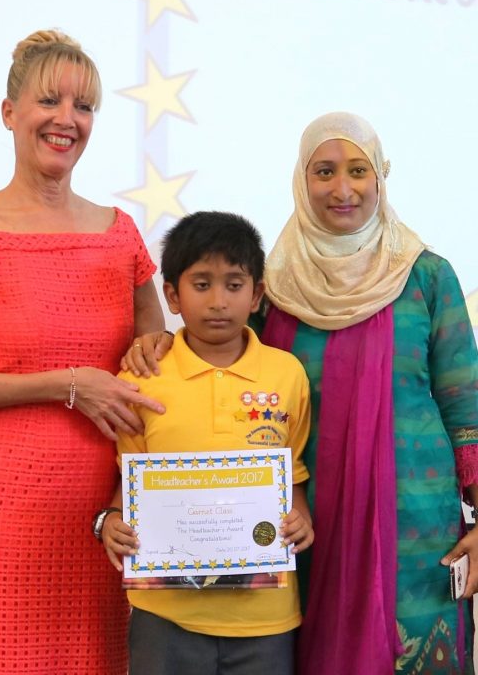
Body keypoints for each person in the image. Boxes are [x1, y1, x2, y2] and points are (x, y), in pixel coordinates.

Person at [125, 113, 478, 675]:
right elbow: (225, 356)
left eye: (358, 170)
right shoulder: (276, 286)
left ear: (380, 177)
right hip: (297, 525)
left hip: (412, 526)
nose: (342, 188)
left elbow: (466, 409)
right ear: (301, 179)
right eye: (324, 171)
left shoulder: (426, 277)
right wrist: (162, 342)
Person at [0, 29, 168, 675]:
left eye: (83, 106)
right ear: (9, 113)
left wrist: (155, 348)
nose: (67, 119)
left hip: (107, 523)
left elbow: (158, 351)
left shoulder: (120, 235)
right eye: (49, 100)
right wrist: (69, 383)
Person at [103, 211, 314, 675]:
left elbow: (294, 473)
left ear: (256, 294)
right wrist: (112, 520)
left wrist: (301, 519)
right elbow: (129, 477)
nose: (218, 301)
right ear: (172, 295)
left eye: (234, 285)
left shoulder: (287, 374)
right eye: (201, 285)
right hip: (165, 616)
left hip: (265, 617)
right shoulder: (142, 380)